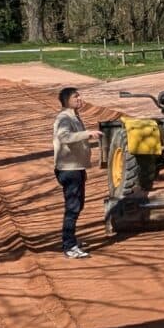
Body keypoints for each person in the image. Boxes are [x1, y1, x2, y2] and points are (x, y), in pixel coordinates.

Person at [52, 86, 98, 258]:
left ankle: (70, 240)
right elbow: (64, 137)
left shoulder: (74, 116)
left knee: (78, 205)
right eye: (75, 97)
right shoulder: (64, 118)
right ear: (66, 101)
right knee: (73, 207)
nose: (79, 99)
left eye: (79, 96)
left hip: (76, 168)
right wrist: (87, 134)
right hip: (69, 169)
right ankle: (69, 246)